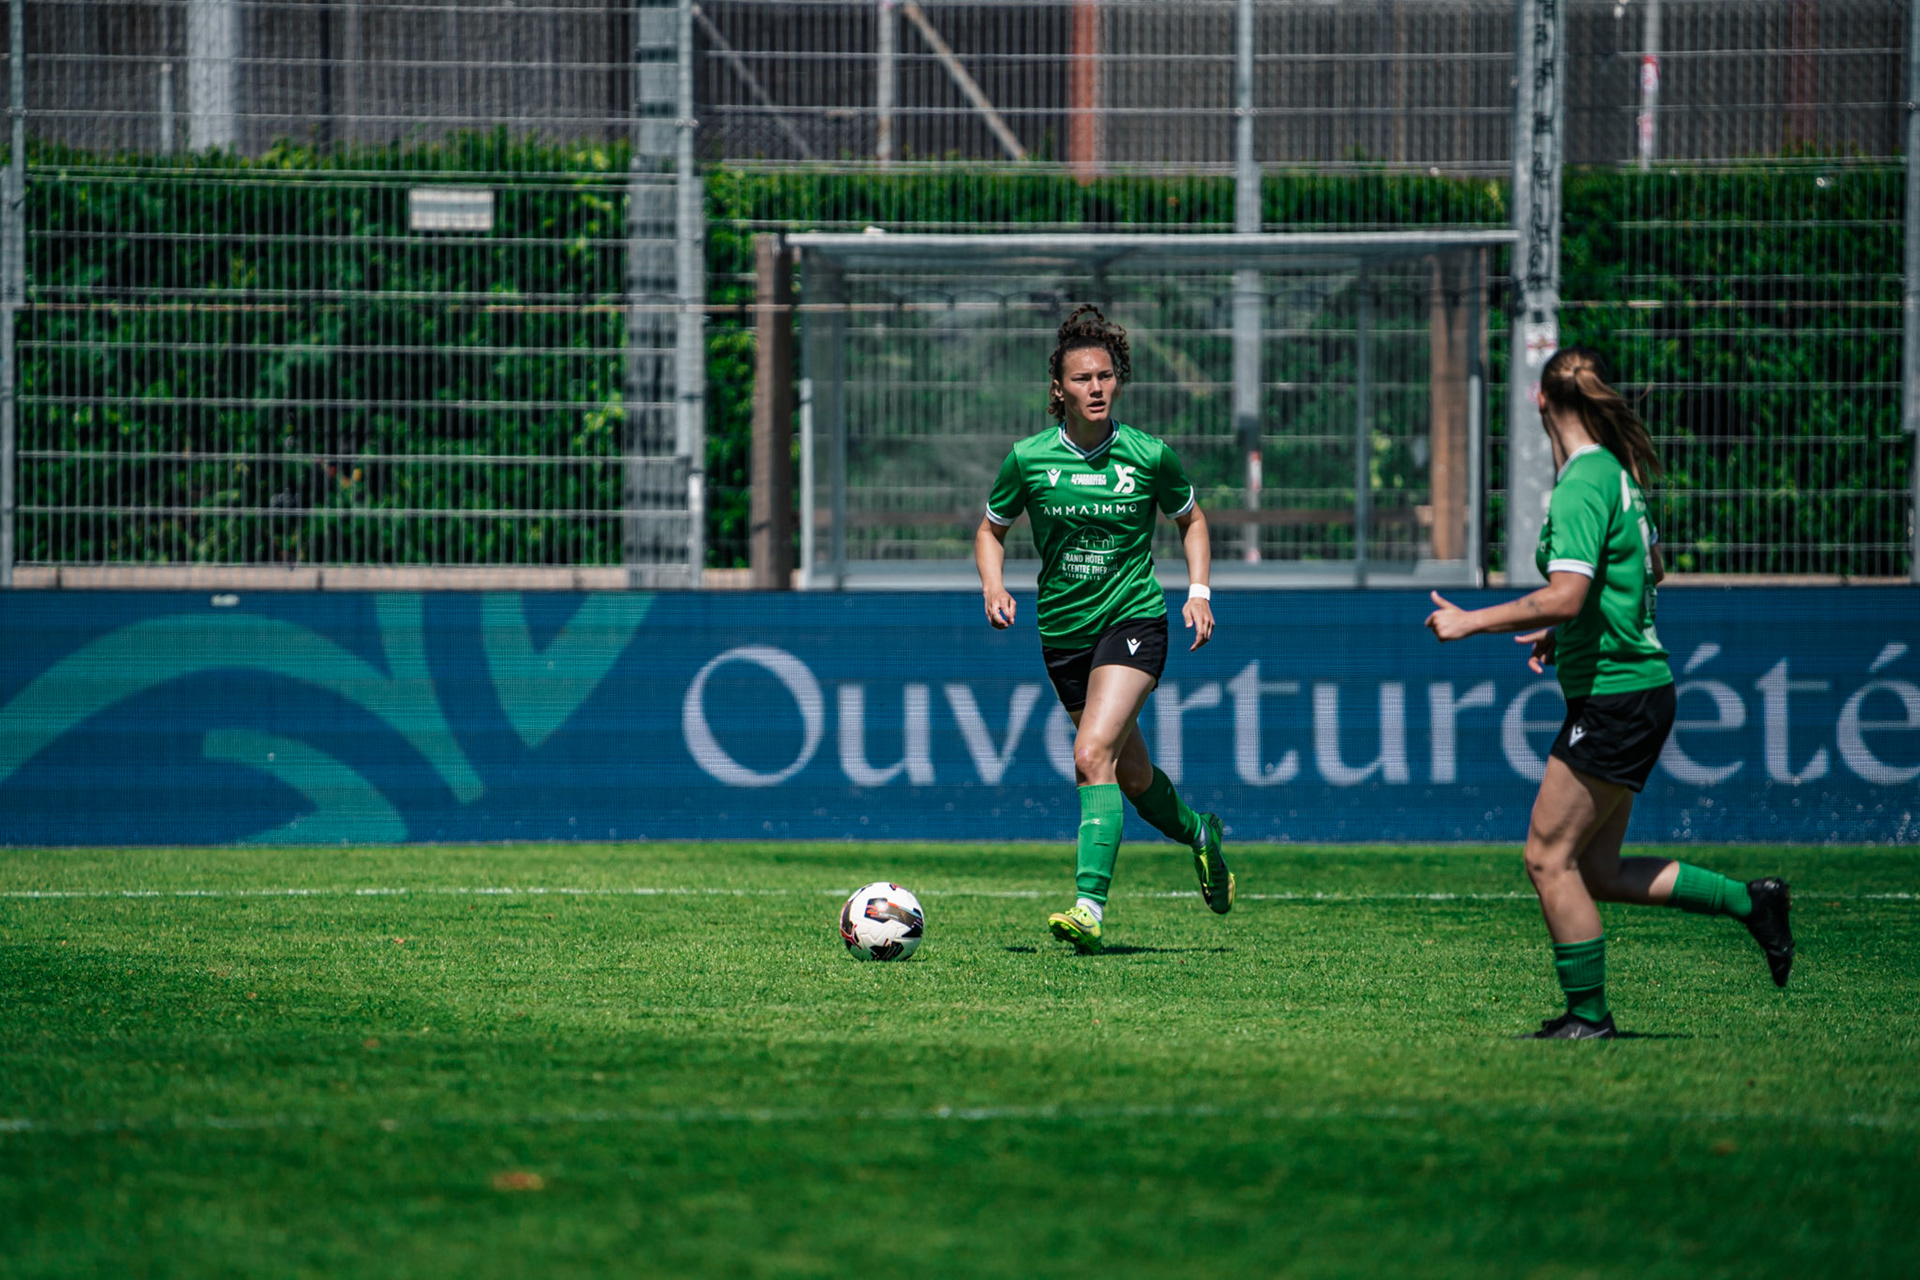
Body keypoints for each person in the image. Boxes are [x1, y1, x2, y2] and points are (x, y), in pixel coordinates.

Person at [1425, 346, 1794, 1039]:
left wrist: (1472, 621)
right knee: (1596, 868)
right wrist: (1567, 638)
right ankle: (1752, 903)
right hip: (1635, 687)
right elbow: (1646, 573)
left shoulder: (1582, 484)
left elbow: (1567, 594)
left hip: (1618, 696)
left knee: (1546, 857)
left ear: (1539, 401)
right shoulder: (1618, 478)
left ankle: (1589, 1017)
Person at [974, 304, 1230, 955]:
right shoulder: (1028, 460)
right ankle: (1200, 832)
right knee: (1132, 778)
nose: (1096, 387)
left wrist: (1198, 593)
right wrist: (993, 584)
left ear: (1118, 381)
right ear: (1058, 389)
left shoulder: (1148, 456)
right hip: (1063, 636)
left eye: (1106, 376)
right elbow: (990, 530)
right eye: (1083, 378)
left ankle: (1089, 907)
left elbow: (1192, 520)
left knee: (1091, 757)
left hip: (1134, 621)